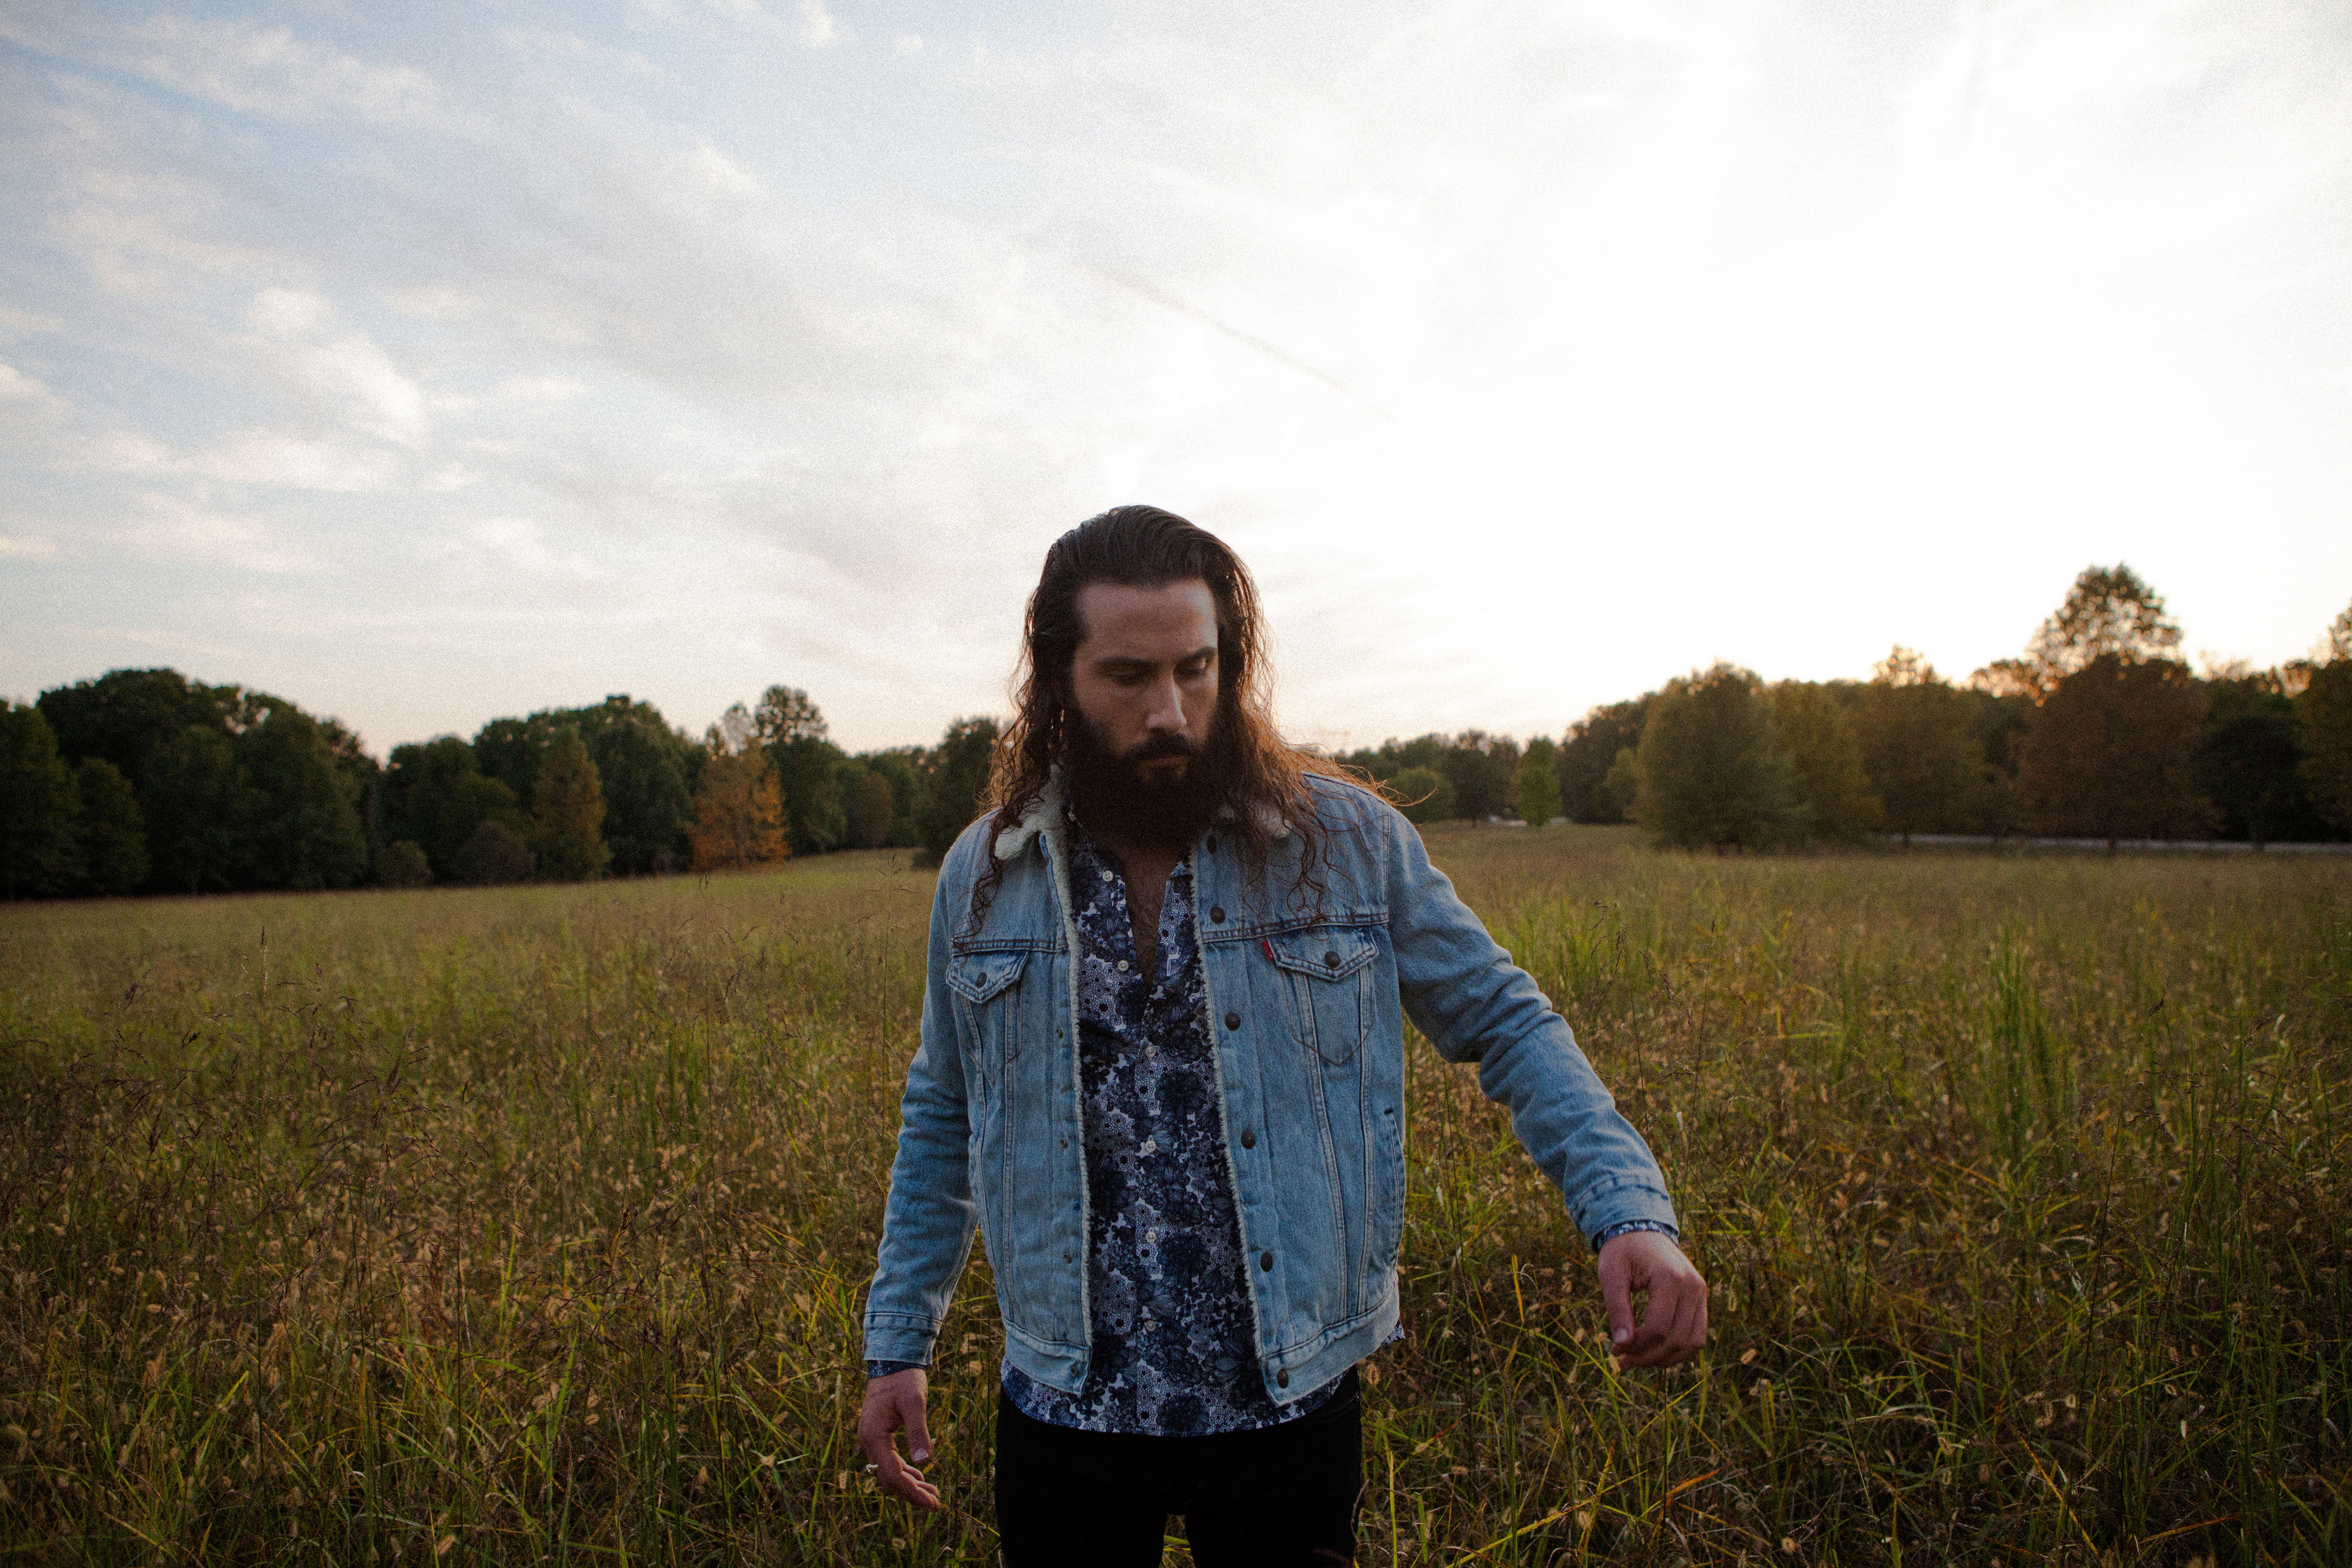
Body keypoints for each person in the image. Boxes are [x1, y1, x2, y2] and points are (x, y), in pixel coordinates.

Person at [856, 506, 1706, 1565]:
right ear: (1058, 679)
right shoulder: (983, 878)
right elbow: (946, 1107)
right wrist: (899, 1343)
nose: (1172, 710)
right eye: (1129, 676)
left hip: (1288, 1398)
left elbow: (1504, 1020)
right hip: (1065, 1406)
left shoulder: (1348, 845)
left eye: (1197, 668)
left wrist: (1627, 1211)